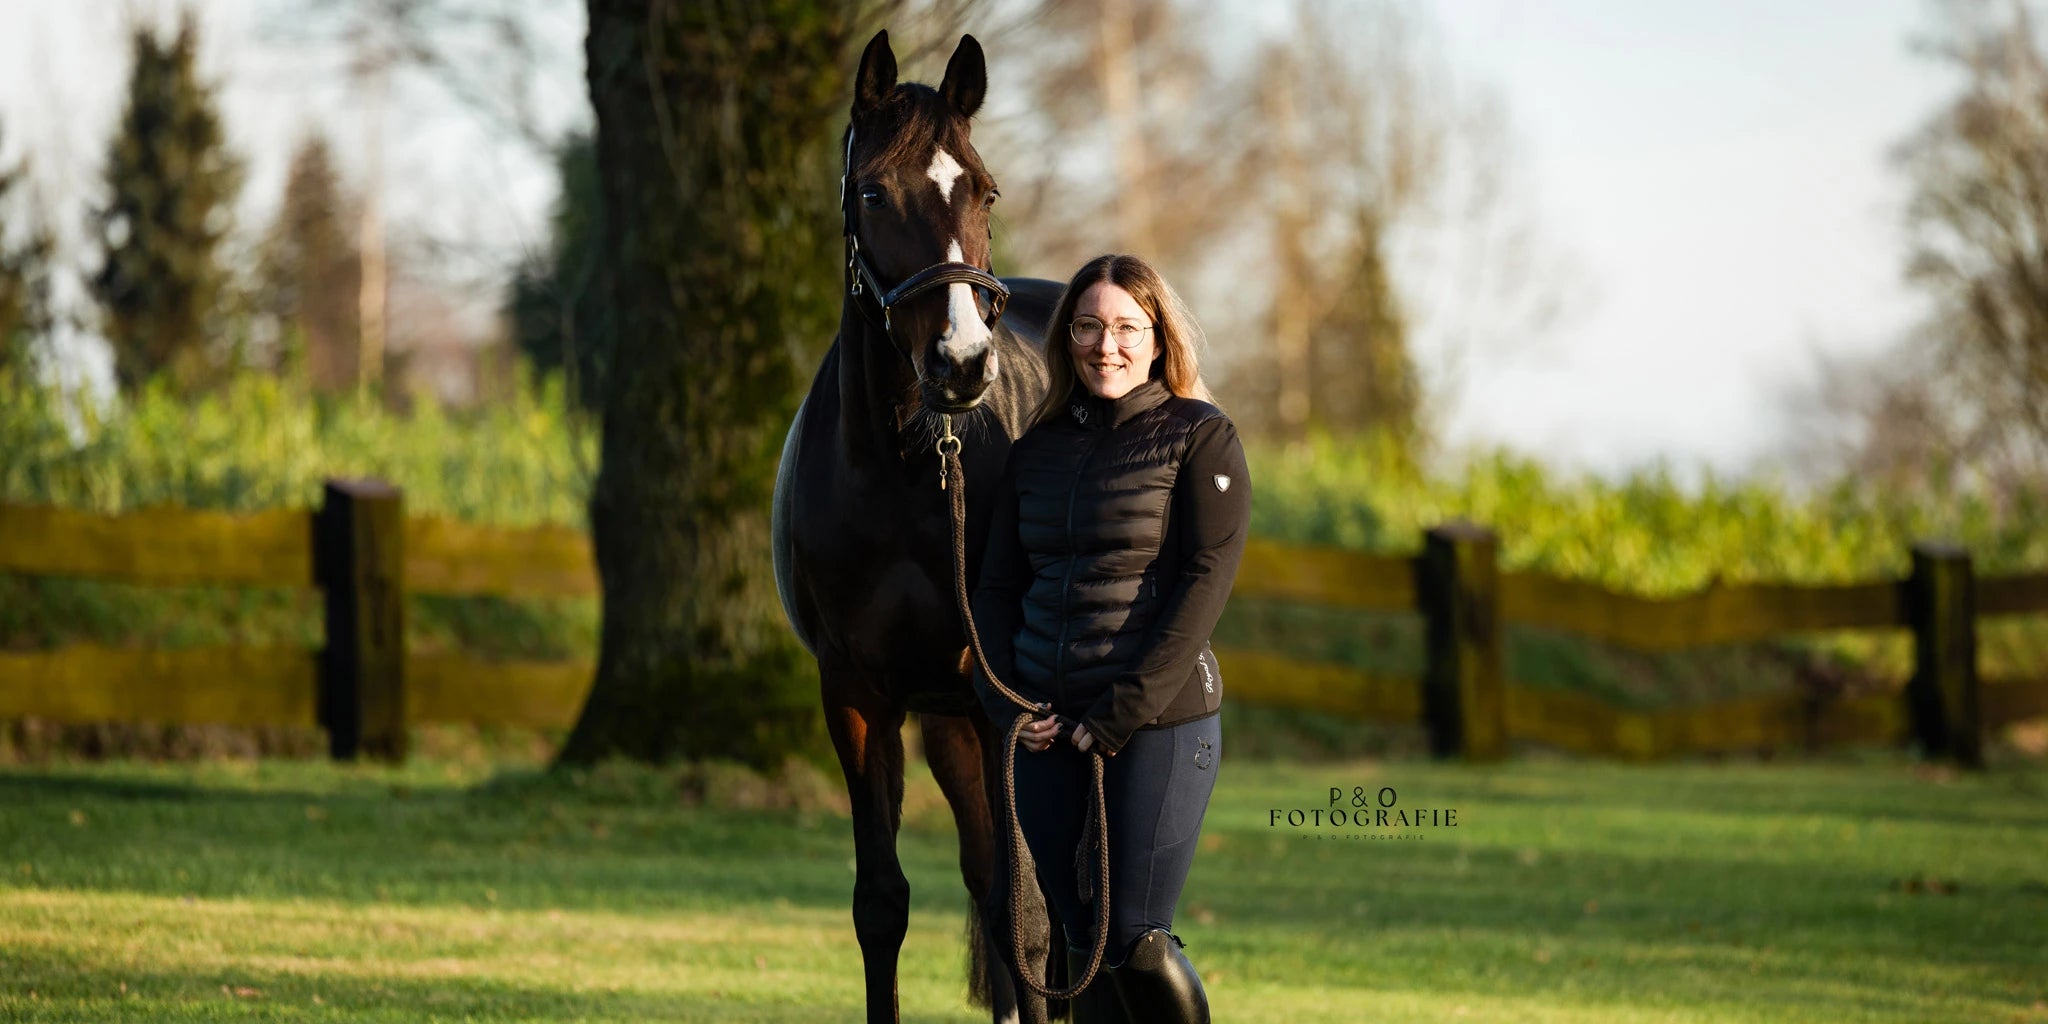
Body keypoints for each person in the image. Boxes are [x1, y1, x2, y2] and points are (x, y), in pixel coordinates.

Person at [971, 253, 1249, 1024]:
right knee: (1076, 940)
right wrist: (1009, 704)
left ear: (1158, 339)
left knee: (1134, 939)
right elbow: (995, 592)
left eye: (1128, 327)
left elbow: (1204, 585)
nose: (1107, 345)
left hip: (1158, 723)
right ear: (1067, 339)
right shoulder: (1034, 453)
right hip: (1046, 729)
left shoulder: (1200, 438)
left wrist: (1118, 712)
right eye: (1089, 327)